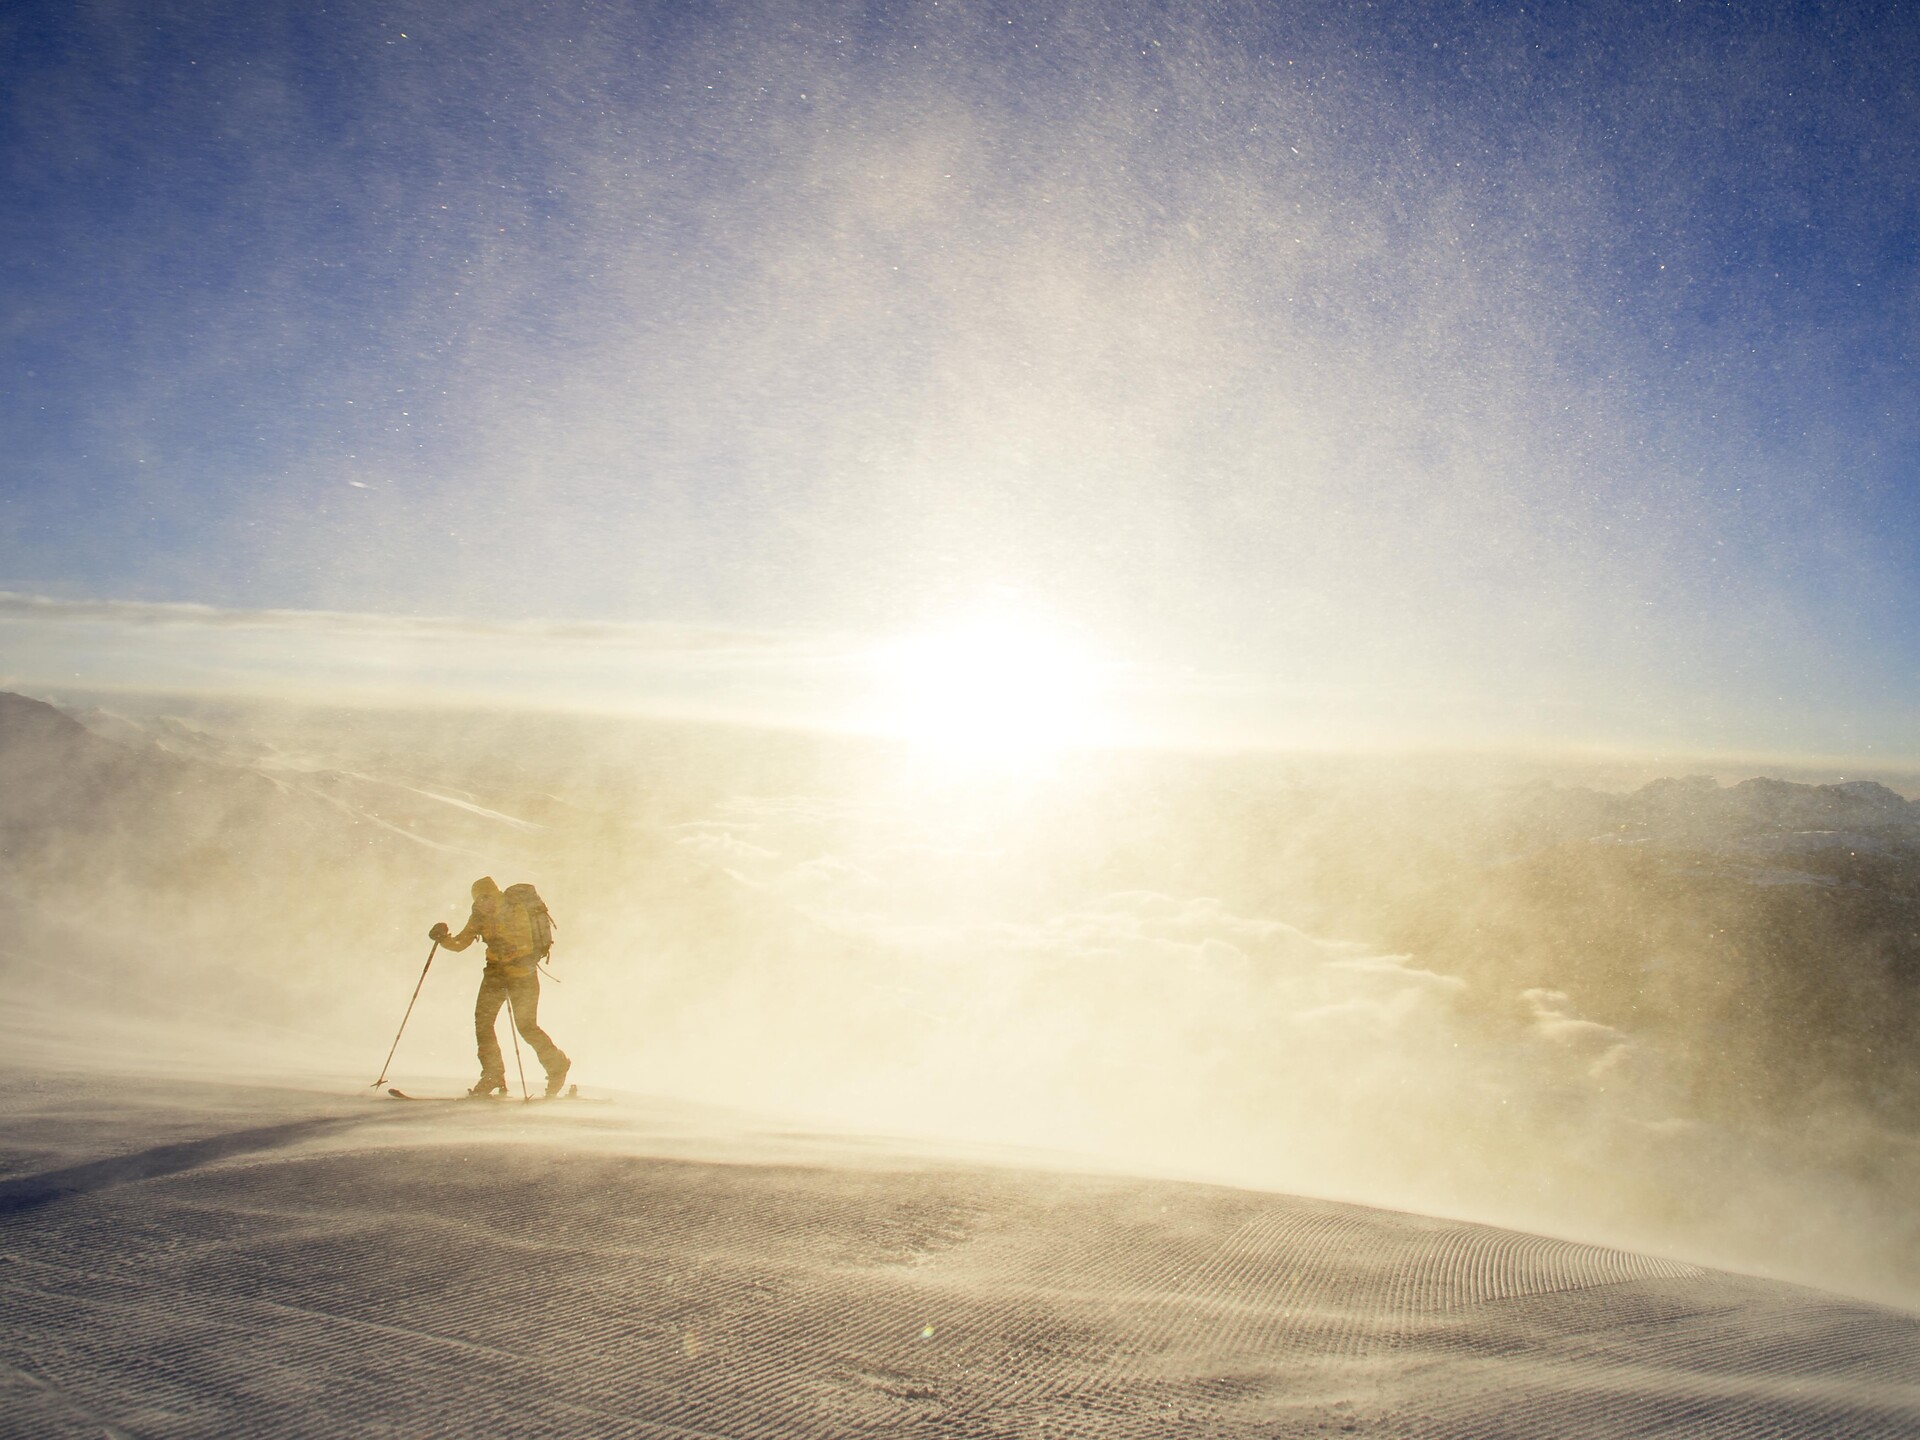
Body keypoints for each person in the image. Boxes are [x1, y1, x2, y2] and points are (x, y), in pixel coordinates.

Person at [430, 876, 571, 1098]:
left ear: (496, 894)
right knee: (483, 1023)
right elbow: (460, 944)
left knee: (526, 1027)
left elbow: (525, 944)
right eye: (479, 900)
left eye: (487, 897)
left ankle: (557, 1066)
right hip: (496, 974)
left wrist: (510, 956)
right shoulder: (478, 916)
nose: (484, 903)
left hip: (522, 976)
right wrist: (443, 939)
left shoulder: (515, 909)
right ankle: (493, 1074)